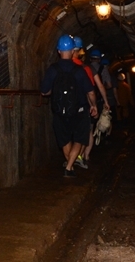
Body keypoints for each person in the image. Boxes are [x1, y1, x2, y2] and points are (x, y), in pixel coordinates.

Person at [40, 35, 97, 178]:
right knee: (79, 139)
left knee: (64, 139)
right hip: (79, 111)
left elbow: (44, 91)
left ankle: (69, 165)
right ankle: (69, 166)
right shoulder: (79, 70)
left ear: (59, 51)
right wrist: (94, 105)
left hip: (59, 111)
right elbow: (90, 92)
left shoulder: (53, 70)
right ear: (72, 51)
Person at [74, 41, 108, 169]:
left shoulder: (68, 67)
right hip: (88, 103)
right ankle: (84, 156)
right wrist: (105, 101)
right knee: (88, 130)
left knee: (76, 130)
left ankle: (74, 157)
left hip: (72, 104)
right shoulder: (89, 69)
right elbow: (99, 86)